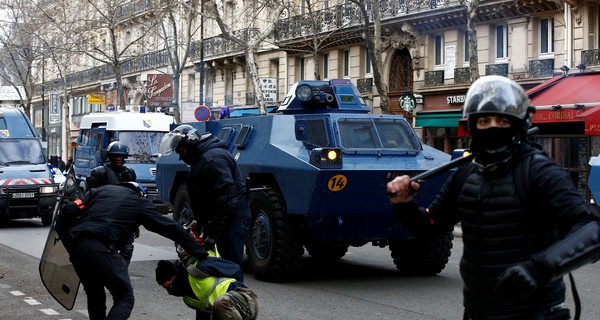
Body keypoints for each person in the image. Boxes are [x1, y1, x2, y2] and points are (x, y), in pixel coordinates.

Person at [386, 76, 600, 320]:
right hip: (478, 312)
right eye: (485, 121)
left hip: (533, 313)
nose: (492, 127)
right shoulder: (467, 175)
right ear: (474, 126)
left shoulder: (538, 171)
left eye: (502, 120)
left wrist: (540, 268)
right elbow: (431, 225)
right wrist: (404, 205)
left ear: (518, 124)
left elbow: (592, 230)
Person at [56, 182, 209, 320]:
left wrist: (71, 247)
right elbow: (170, 228)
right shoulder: (139, 203)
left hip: (78, 246)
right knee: (124, 298)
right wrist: (199, 252)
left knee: (95, 294)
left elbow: (68, 210)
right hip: (102, 246)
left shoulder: (99, 191)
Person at [159, 125, 250, 270]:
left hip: (231, 221)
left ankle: (236, 291)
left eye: (181, 151)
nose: (181, 157)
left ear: (190, 144)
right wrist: (201, 224)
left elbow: (230, 200)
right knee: (222, 265)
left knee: (230, 266)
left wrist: (214, 234)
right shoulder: (202, 158)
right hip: (224, 220)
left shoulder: (212, 160)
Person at [155, 254, 258, 320]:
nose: (171, 290)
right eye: (167, 289)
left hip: (245, 300)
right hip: (228, 312)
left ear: (176, 276)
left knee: (221, 302)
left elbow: (235, 268)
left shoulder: (198, 269)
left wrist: (236, 290)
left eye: (171, 285)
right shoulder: (188, 299)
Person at [87, 141, 138, 265]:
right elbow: (90, 197)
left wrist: (135, 223)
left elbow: (133, 199)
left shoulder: (129, 174)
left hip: (124, 218)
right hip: (106, 218)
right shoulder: (100, 173)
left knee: (127, 248)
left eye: (121, 156)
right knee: (106, 249)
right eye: (116, 156)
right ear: (110, 156)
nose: (119, 159)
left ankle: (121, 273)